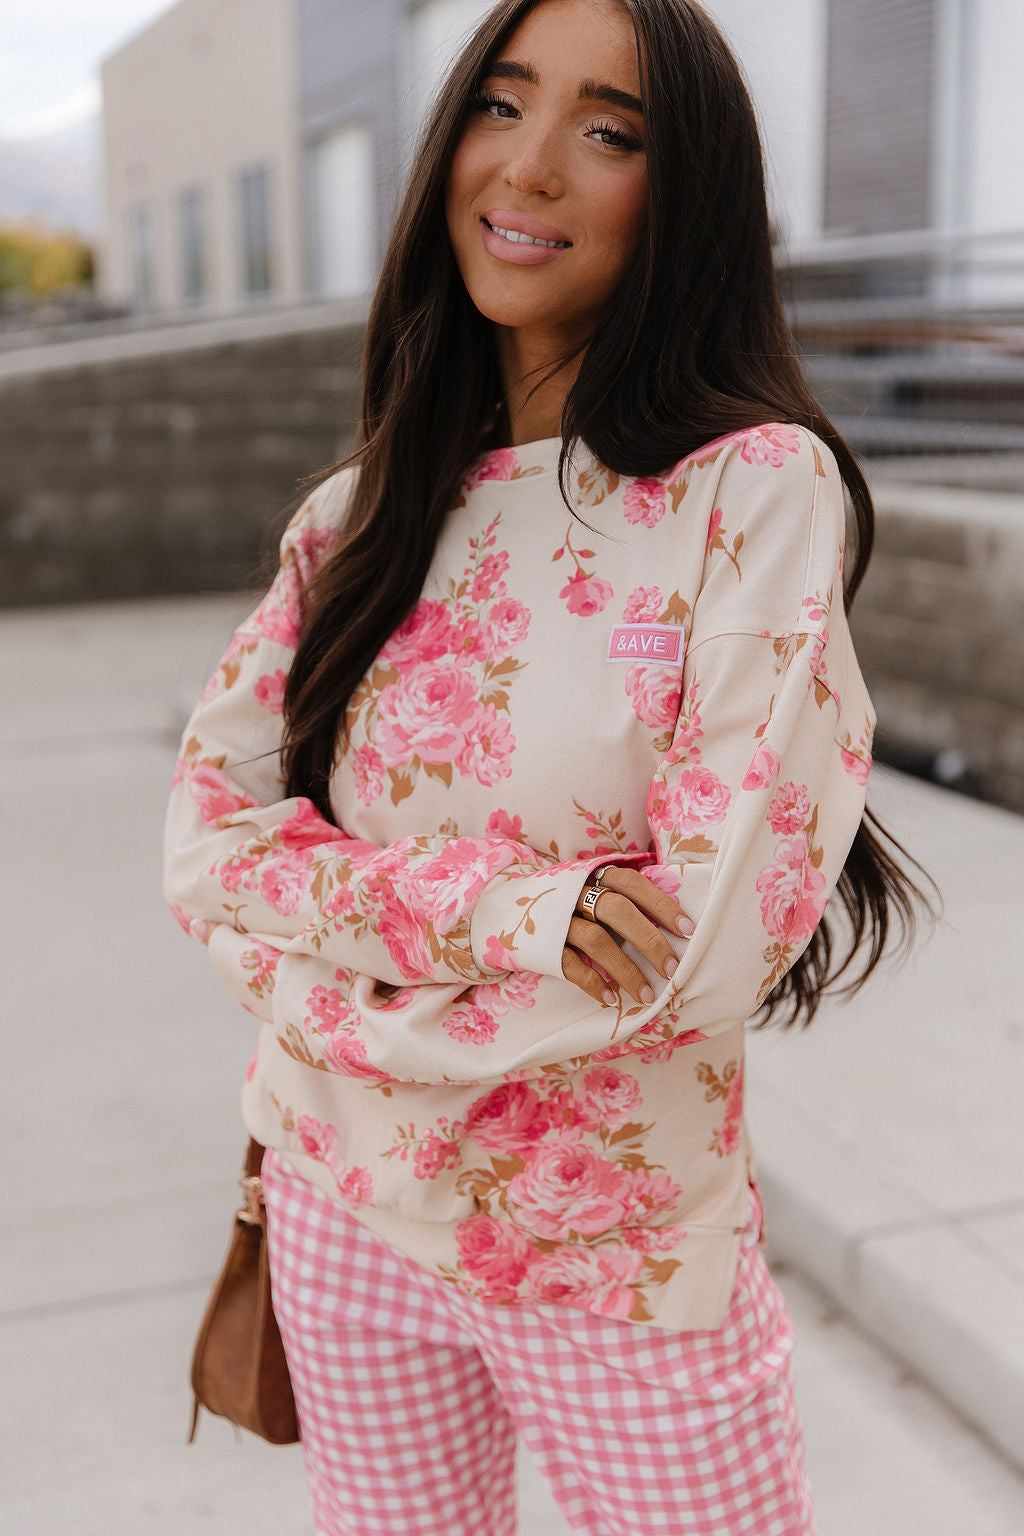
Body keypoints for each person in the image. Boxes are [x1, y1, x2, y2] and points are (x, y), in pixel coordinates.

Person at [164, 1, 924, 1531]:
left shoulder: (751, 496)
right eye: (501, 105)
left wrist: (331, 975)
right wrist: (521, 916)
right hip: (336, 1198)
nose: (529, 166)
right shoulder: (356, 516)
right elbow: (207, 853)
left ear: (685, 193)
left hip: (613, 1249)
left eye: (609, 130)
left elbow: (697, 951)